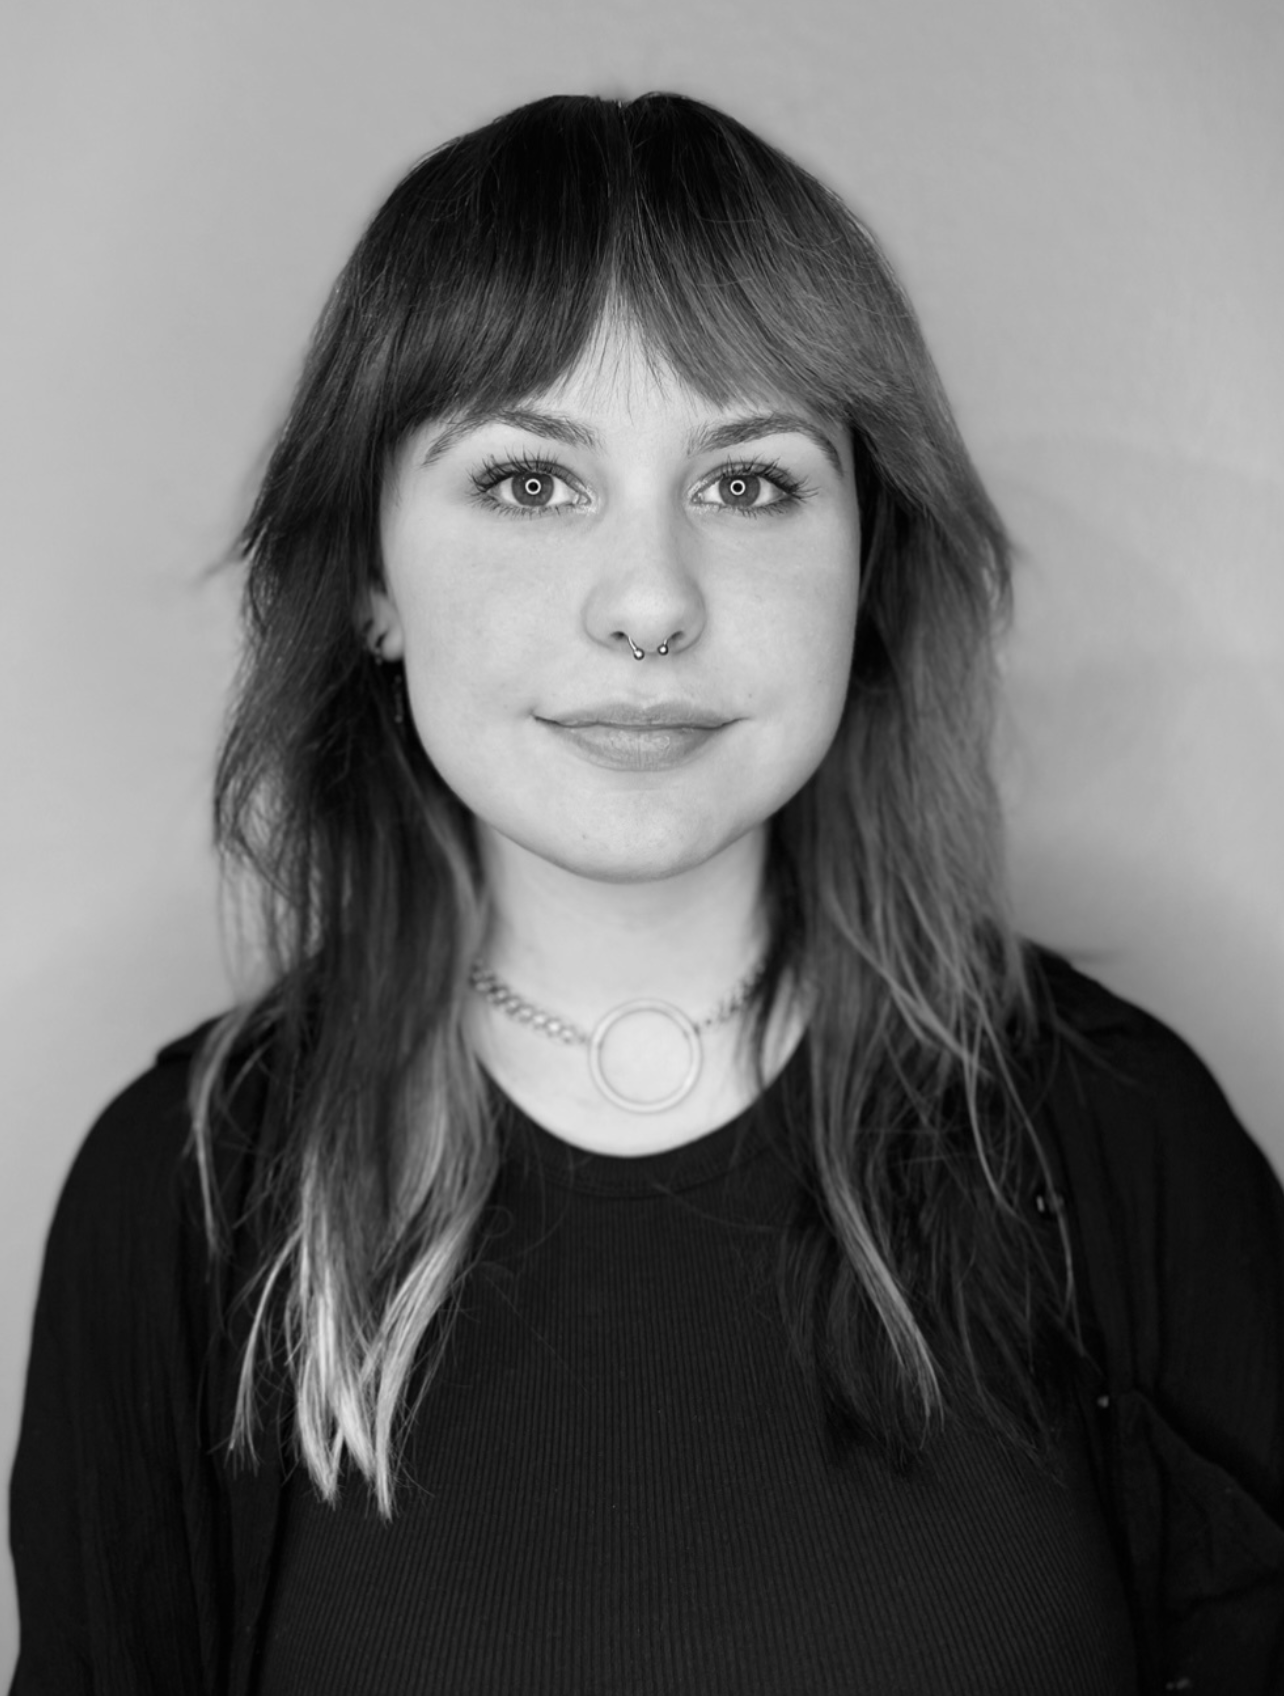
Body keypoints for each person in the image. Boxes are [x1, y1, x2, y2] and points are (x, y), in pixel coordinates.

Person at [9, 92, 1284, 1696]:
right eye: (529, 483)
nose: (650, 602)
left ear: (869, 565)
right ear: (370, 579)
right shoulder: (179, 1209)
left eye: (749, 484)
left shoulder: (1124, 1148)